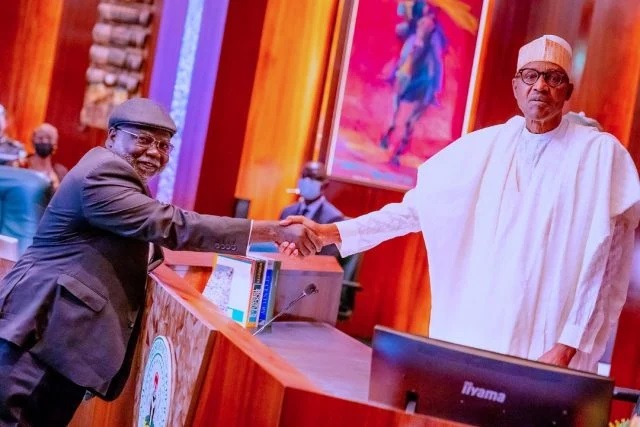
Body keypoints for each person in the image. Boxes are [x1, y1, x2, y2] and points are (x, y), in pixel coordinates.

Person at [282, 35, 640, 372]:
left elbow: (605, 261)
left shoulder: (597, 155)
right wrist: (330, 232)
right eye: (530, 75)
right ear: (516, 86)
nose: (540, 86)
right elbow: (413, 212)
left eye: (553, 77)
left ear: (568, 91)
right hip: (479, 333)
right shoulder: (483, 148)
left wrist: (569, 344)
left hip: (546, 341)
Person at [0, 97, 321, 425]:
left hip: (56, 342)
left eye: (164, 145)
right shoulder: (103, 173)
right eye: (143, 139)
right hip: (41, 337)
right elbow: (173, 225)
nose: (155, 152)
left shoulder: (118, 178)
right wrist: (272, 231)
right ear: (113, 136)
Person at [279, 161, 344, 257]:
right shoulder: (287, 211)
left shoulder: (334, 218)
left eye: (312, 177)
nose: (306, 180)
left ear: (325, 185)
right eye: (304, 176)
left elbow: (327, 257)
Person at [26, 122, 69, 194]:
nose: (44, 141)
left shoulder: (61, 172)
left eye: (49, 138)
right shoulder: (22, 165)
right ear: (33, 141)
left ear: (55, 143)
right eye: (40, 138)